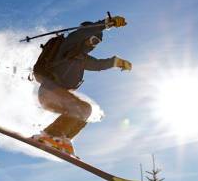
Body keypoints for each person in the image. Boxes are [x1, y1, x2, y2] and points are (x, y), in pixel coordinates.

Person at [31, 15, 132, 156]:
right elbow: (80, 34)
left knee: (85, 110)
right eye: (93, 40)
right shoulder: (68, 45)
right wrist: (107, 23)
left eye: (97, 43)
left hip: (58, 96)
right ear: (86, 36)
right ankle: (49, 135)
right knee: (78, 107)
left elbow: (98, 65)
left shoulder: (82, 59)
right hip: (50, 90)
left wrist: (117, 62)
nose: (93, 45)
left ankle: (61, 141)